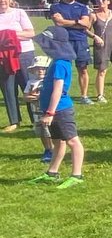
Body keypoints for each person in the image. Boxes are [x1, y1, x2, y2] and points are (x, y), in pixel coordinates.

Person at [27, 27, 86, 189]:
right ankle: (52, 172)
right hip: (53, 110)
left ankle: (77, 175)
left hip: (60, 110)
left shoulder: (60, 63)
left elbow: (58, 90)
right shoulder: (57, 61)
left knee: (73, 141)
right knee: (58, 143)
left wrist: (50, 112)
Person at [49, 0, 93, 104]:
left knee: (83, 69)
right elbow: (58, 23)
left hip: (80, 41)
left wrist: (67, 21)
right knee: (63, 68)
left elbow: (86, 24)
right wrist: (77, 22)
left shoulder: (82, 7)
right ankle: (61, 94)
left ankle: (84, 96)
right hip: (63, 41)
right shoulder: (56, 7)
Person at [0, 0, 36, 132]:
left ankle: (35, 119)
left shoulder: (19, 13)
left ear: (10, 0)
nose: (2, 0)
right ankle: (14, 121)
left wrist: (8, 36)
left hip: (24, 54)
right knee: (8, 89)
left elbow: (30, 33)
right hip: (3, 58)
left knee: (28, 86)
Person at [22, 55, 54, 162]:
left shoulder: (50, 82)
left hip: (47, 111)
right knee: (41, 132)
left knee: (49, 131)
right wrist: (34, 97)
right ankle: (47, 149)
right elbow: (25, 96)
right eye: (38, 68)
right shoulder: (31, 83)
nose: (40, 71)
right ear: (33, 70)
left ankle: (53, 149)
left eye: (43, 68)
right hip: (36, 112)